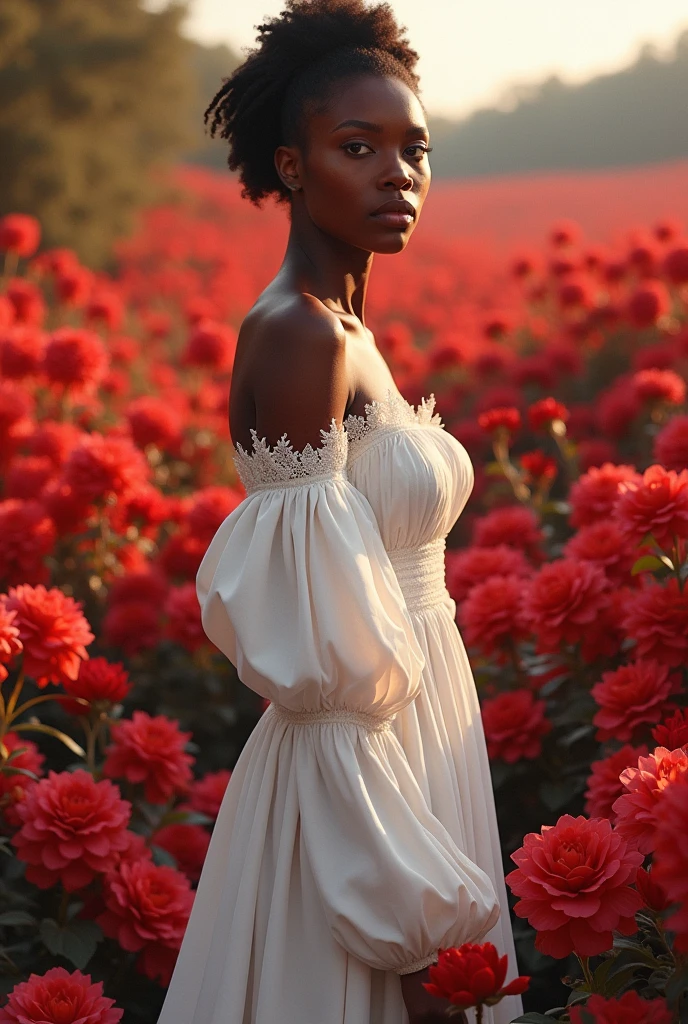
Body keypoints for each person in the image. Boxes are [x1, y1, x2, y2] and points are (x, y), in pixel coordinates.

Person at [156, 1, 524, 1022]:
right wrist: (411, 937)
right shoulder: (299, 337)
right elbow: (321, 670)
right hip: (360, 789)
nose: (395, 173)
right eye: (355, 148)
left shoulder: (347, 330)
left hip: (416, 741)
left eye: (415, 149)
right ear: (288, 167)